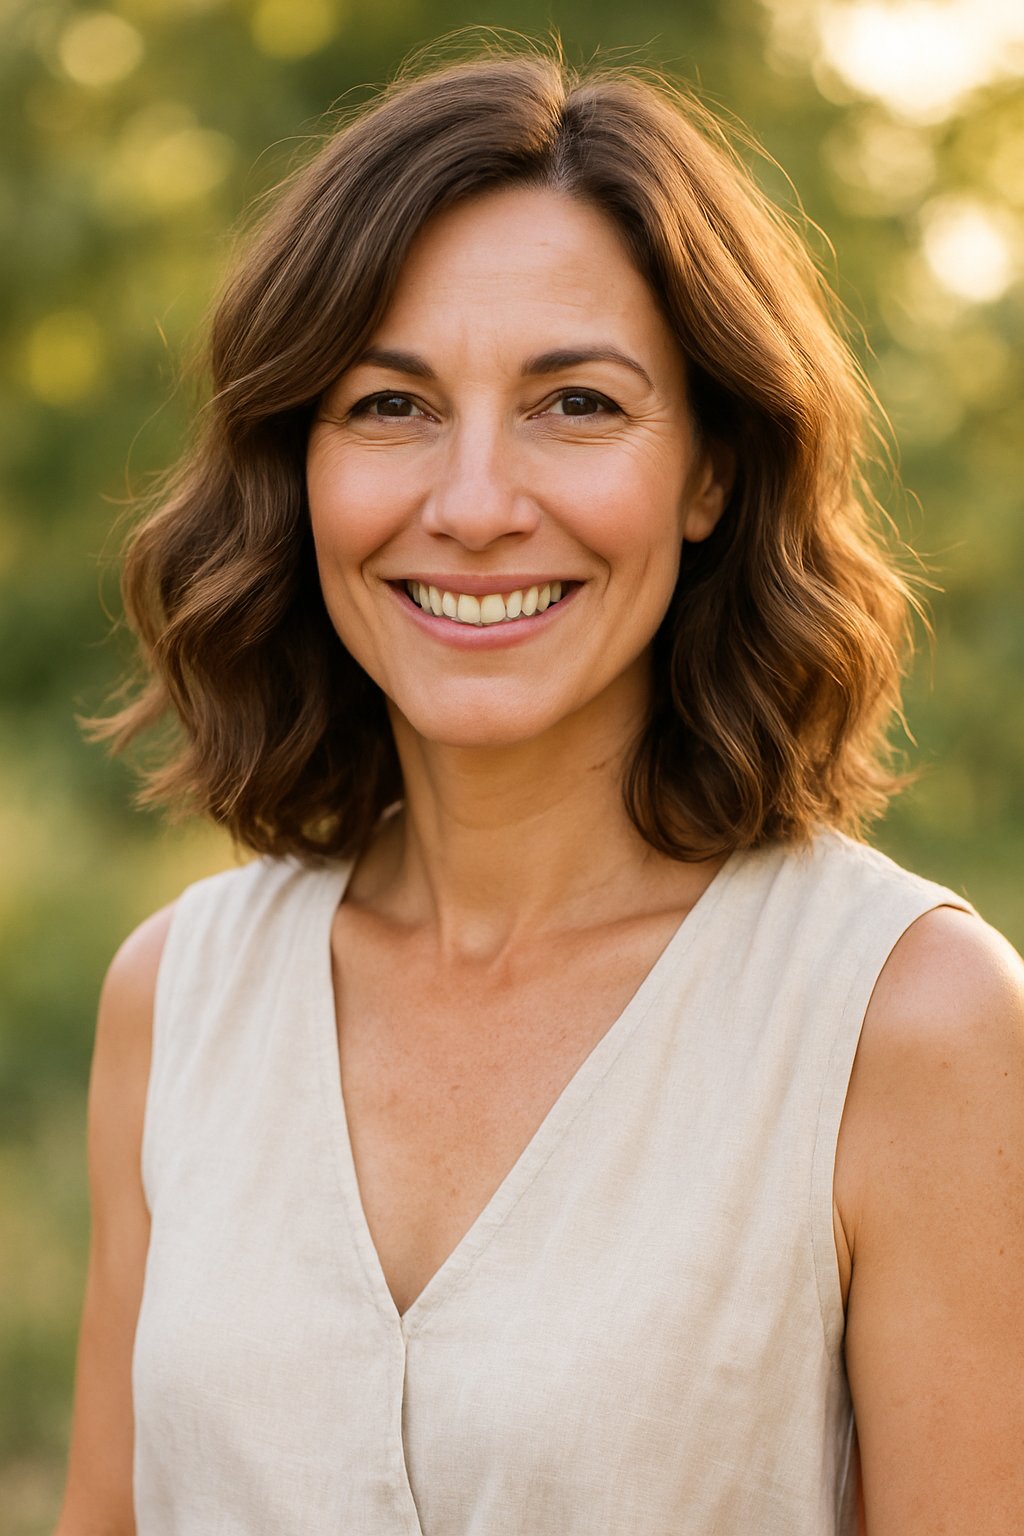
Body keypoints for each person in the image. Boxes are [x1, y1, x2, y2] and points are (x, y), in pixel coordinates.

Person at [56, 43, 1024, 1536]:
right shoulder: (175, 997)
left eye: (575, 404)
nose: (473, 505)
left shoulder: (910, 1023)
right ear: (298, 465)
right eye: (390, 406)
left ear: (710, 472)